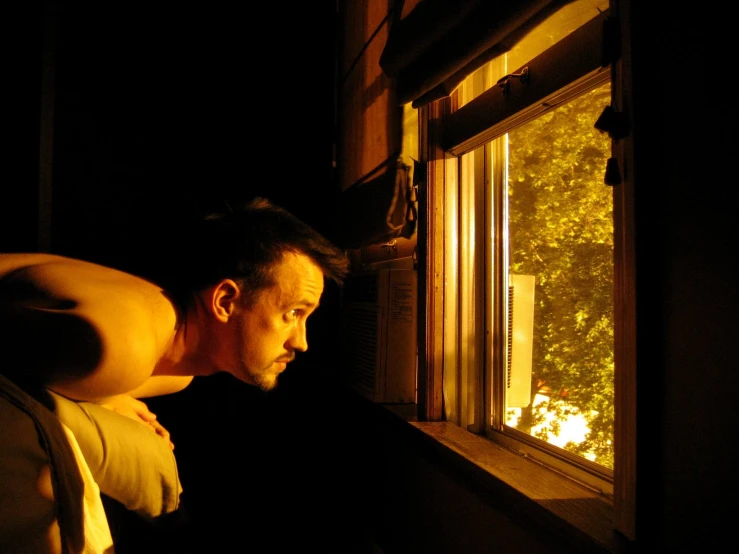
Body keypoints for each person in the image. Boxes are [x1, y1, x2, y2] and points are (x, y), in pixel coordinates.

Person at [0, 196, 351, 552]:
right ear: (225, 301)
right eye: (292, 313)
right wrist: (106, 394)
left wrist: (110, 397)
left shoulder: (178, 373)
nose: (303, 342)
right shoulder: (122, 347)